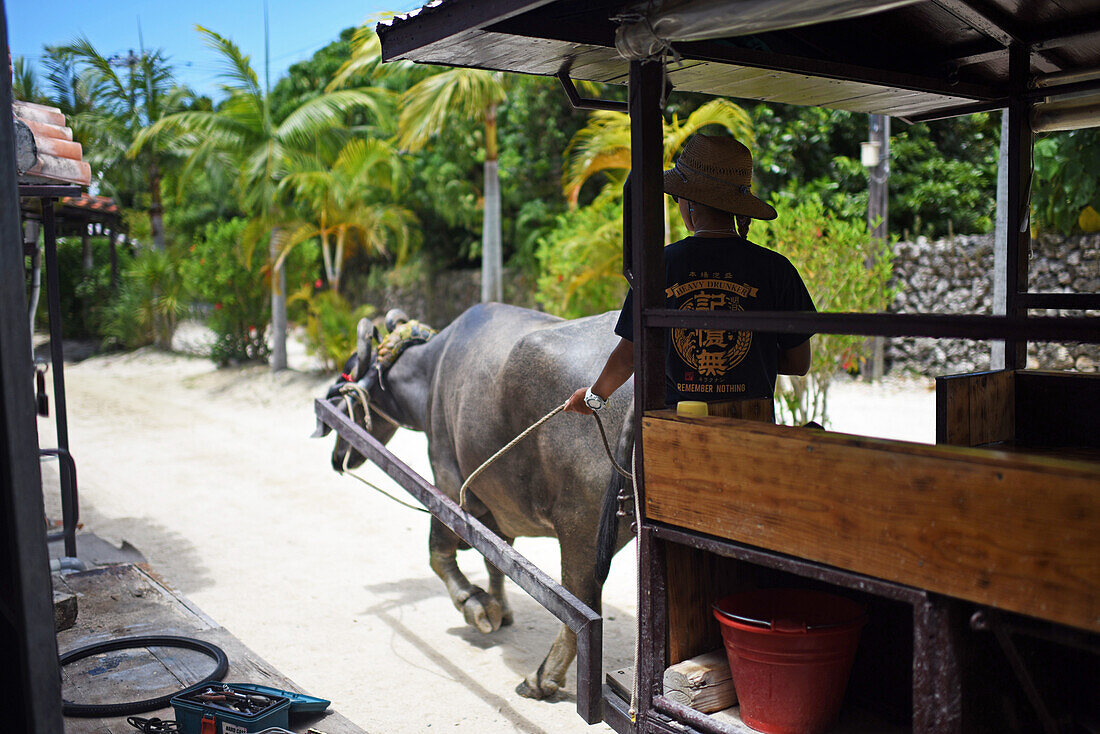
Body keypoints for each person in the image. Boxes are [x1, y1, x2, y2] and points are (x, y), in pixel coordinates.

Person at [564, 134, 814, 416]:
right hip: (753, 426)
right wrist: (750, 357)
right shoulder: (777, 269)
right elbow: (798, 363)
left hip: (678, 426)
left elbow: (628, 357)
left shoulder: (659, 266)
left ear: (689, 201)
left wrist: (593, 398)